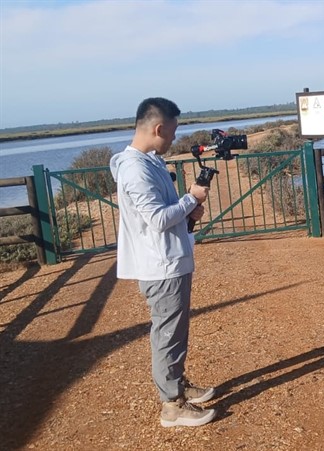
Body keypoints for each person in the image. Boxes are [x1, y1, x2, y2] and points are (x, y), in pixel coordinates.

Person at [110, 97, 217, 427]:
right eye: (171, 132)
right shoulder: (135, 170)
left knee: (175, 331)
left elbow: (166, 212)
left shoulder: (150, 161)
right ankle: (172, 405)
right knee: (168, 334)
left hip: (170, 260)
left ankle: (177, 384)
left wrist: (187, 210)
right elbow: (157, 220)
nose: (173, 138)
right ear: (158, 128)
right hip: (161, 266)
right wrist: (191, 198)